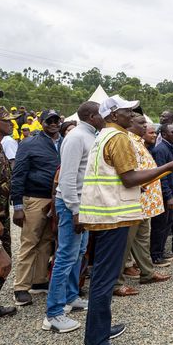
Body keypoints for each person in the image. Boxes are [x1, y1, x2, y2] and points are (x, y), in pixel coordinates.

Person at [79, 97, 173, 345]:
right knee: (104, 279)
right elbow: (129, 178)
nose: (133, 114)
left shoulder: (104, 135)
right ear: (114, 115)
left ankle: (98, 331)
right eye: (127, 111)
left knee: (102, 276)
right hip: (113, 215)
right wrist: (167, 168)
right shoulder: (119, 138)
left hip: (105, 213)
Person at [42, 102, 103, 332]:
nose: (105, 117)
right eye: (101, 114)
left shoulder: (90, 135)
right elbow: (67, 178)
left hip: (82, 205)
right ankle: (53, 314)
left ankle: (70, 297)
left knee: (78, 252)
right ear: (91, 116)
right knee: (65, 256)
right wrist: (75, 210)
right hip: (72, 205)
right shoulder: (76, 137)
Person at [113, 114, 170, 297]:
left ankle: (147, 273)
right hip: (133, 201)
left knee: (142, 240)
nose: (145, 126)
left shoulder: (139, 142)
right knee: (125, 244)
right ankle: (116, 283)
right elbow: (129, 172)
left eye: (146, 123)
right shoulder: (127, 141)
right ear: (130, 124)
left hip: (145, 203)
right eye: (141, 123)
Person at [11, 109, 61, 307]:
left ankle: (39, 280)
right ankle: (20, 287)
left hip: (55, 199)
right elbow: (18, 174)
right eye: (49, 120)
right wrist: (18, 205)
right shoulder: (29, 143)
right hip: (35, 198)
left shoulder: (63, 142)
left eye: (56, 120)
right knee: (29, 242)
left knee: (47, 241)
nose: (53, 123)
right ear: (41, 122)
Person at [0, 107, 20, 317]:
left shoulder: (1, 147)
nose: (11, 123)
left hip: (3, 215)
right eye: (6, 121)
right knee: (3, 261)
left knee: (5, 262)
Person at [151, 124, 173, 263]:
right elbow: (161, 176)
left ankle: (161, 251)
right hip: (164, 195)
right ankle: (156, 255)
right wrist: (168, 196)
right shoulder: (160, 150)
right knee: (160, 225)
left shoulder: (172, 147)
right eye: (172, 132)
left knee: (168, 223)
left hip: (172, 192)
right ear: (163, 134)